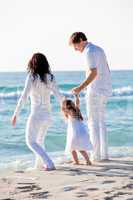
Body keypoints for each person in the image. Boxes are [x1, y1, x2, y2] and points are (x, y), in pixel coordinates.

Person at [11, 53, 63, 171]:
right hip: (48, 115)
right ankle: (38, 165)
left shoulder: (32, 76)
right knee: (39, 141)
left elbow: (24, 97)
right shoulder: (51, 77)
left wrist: (16, 114)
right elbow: (59, 95)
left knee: (30, 141)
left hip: (36, 115)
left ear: (33, 63)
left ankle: (49, 163)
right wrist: (67, 109)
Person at [69, 32, 112, 161]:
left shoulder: (89, 51)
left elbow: (93, 73)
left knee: (93, 123)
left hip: (95, 91)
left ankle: (96, 156)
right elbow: (107, 69)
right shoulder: (99, 49)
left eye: (75, 45)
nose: (76, 49)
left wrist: (80, 88)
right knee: (101, 122)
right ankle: (104, 155)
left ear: (81, 40)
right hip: (105, 89)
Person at [61, 95, 92, 165]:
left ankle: (76, 161)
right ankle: (88, 161)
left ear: (67, 107)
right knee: (80, 148)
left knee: (72, 148)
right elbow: (77, 103)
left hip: (75, 133)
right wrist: (77, 97)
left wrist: (63, 101)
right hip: (82, 132)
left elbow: (63, 109)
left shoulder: (70, 112)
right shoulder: (77, 110)